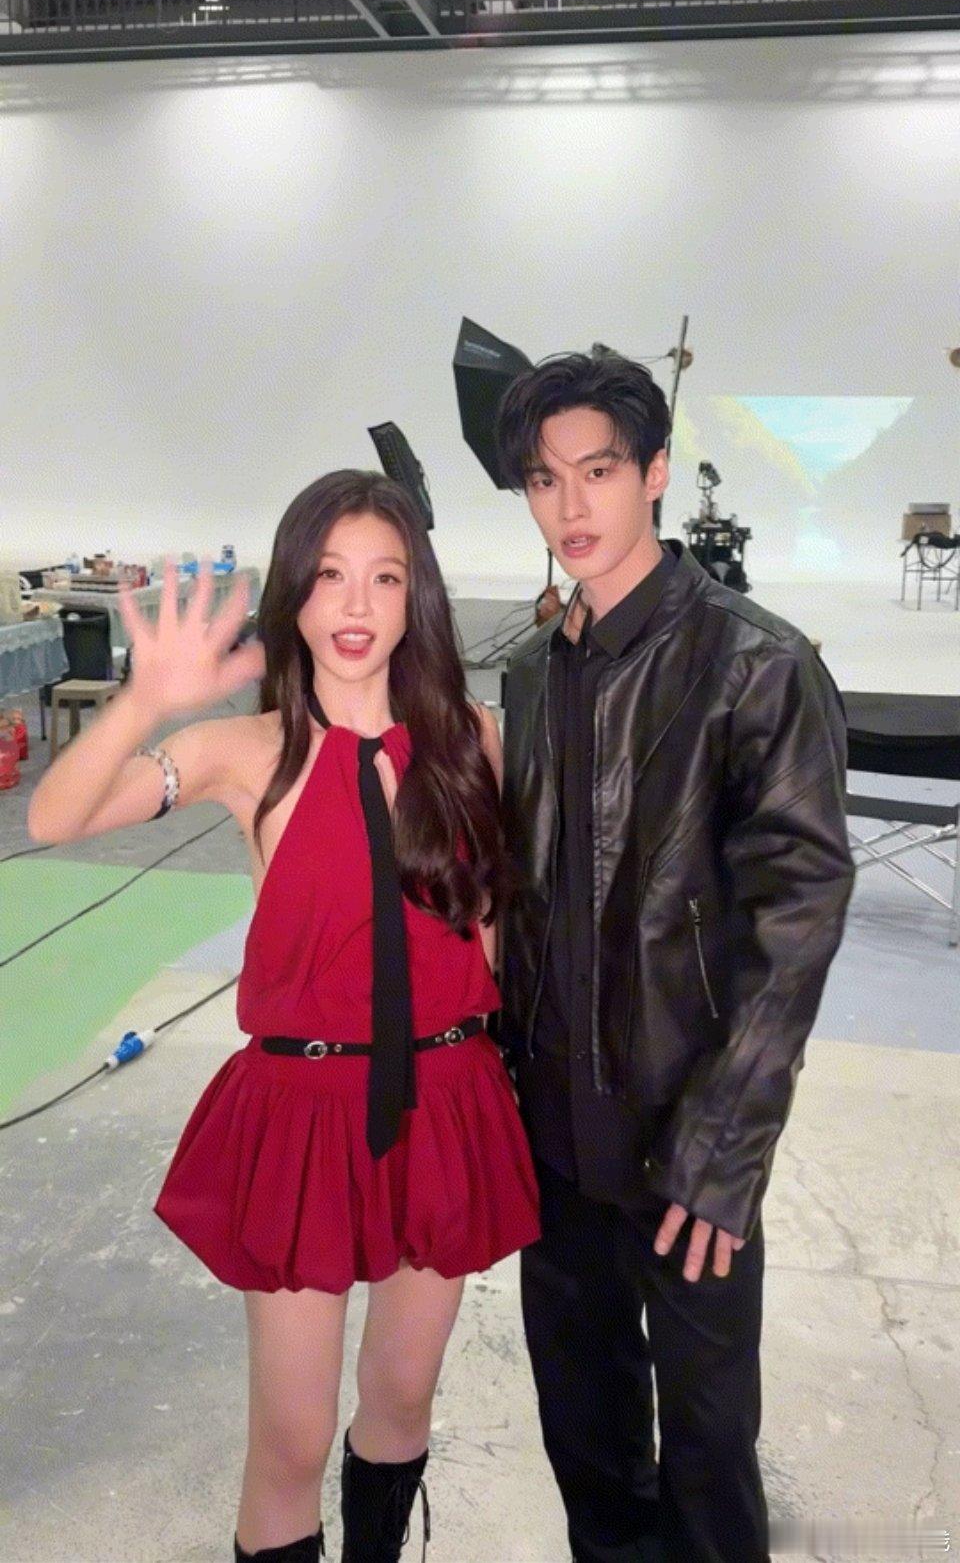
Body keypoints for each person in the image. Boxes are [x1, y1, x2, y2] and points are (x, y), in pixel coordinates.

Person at [28, 470, 540, 1563]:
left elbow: (490, 923)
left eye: (384, 578)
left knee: (402, 1401)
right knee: (293, 1437)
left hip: (446, 1098)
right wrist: (144, 702)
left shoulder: (473, 739)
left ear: (416, 598)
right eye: (330, 577)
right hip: (308, 1110)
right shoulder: (244, 751)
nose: (355, 605)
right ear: (295, 595)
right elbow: (55, 816)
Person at [493, 353, 856, 1563]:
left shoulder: (757, 663)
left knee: (707, 1464)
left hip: (685, 1138)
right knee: (588, 1446)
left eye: (597, 471)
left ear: (653, 472)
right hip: (554, 1141)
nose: (571, 506)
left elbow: (799, 912)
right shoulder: (534, 670)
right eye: (544, 480)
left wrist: (722, 1146)